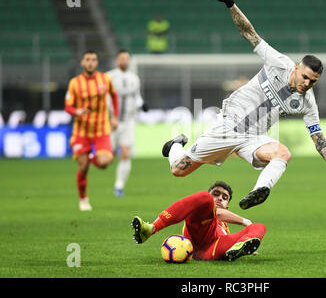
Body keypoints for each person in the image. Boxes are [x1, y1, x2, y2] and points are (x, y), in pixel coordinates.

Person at [162, 0, 326, 210]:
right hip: (227, 127)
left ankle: (259, 191)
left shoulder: (307, 102)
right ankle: (175, 144)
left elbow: (319, 140)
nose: (307, 84)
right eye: (306, 77)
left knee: (283, 153)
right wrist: (231, 3)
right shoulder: (278, 63)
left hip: (253, 137)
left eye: (313, 82)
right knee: (178, 170)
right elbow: (249, 33)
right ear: (297, 68)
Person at [132, 181, 266, 261]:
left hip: (214, 249)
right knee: (204, 197)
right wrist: (246, 221)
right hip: (198, 236)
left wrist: (248, 242)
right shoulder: (206, 210)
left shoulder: (224, 224)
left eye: (224, 197)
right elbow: (217, 213)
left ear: (227, 206)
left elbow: (220, 217)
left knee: (259, 226)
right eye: (216, 194)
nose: (220, 198)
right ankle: (152, 228)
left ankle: (240, 246)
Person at [65, 50, 119, 211]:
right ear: (82, 63)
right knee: (83, 166)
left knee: (104, 163)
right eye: (87, 59)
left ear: (97, 63)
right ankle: (83, 199)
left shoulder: (105, 79)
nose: (90, 62)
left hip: (101, 130)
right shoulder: (75, 83)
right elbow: (68, 106)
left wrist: (115, 116)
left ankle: (89, 154)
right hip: (81, 132)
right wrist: (77, 111)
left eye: (93, 59)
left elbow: (114, 96)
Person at [107, 49, 149, 197]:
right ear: (117, 61)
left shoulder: (134, 78)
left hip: (128, 122)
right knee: (107, 158)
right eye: (122, 58)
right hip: (112, 121)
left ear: (129, 61)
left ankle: (119, 186)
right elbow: (104, 98)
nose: (124, 61)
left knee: (125, 154)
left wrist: (142, 105)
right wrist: (110, 116)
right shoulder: (109, 77)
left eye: (127, 58)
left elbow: (136, 97)